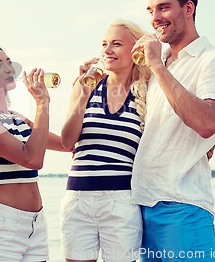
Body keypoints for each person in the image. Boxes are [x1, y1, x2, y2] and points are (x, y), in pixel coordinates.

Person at [130, 0, 215, 262]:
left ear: (188, 8)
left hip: (183, 205)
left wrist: (156, 65)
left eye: (164, 8)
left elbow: (206, 123)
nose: (155, 18)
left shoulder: (214, 59)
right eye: (151, 11)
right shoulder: (157, 67)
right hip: (143, 203)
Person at [0, 46, 67, 261]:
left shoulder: (17, 118)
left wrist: (83, 94)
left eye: (8, 62)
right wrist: (42, 103)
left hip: (36, 223)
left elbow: (66, 144)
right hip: (2, 227)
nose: (8, 68)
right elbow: (32, 159)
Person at [60, 21, 151, 262]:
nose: (107, 50)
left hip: (121, 201)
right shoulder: (85, 86)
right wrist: (82, 98)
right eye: (104, 44)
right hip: (77, 199)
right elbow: (68, 141)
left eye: (117, 44)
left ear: (136, 50)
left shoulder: (146, 92)